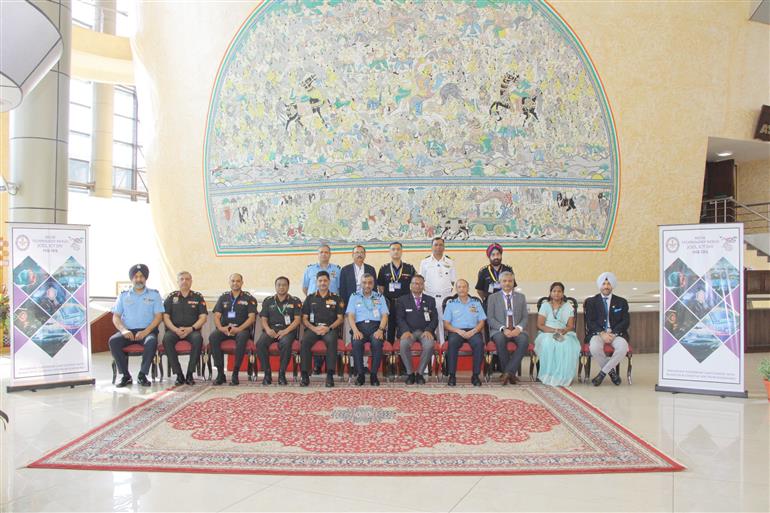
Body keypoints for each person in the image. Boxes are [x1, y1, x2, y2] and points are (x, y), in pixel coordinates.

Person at [109, 264, 164, 387]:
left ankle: (142, 375)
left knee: (151, 342)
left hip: (147, 331)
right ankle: (126, 376)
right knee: (113, 341)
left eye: (141, 276)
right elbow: (116, 316)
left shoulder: (154, 295)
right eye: (136, 277)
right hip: (128, 331)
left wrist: (146, 331)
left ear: (146, 278)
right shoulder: (123, 295)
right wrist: (123, 330)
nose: (139, 279)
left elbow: (158, 317)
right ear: (132, 279)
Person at [210, 273, 257, 386]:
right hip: (225, 328)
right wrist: (221, 328)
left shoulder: (249, 298)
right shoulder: (223, 297)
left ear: (242, 283)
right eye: (233, 281)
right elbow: (216, 316)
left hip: (242, 329)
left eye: (238, 281)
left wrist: (239, 328)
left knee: (241, 338)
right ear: (229, 282)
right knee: (213, 337)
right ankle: (220, 374)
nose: (235, 283)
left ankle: (235, 373)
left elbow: (252, 318)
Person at [162, 271, 208, 386]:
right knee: (166, 339)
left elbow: (203, 317)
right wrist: (175, 329)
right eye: (182, 279)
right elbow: (165, 317)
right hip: (174, 330)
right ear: (177, 282)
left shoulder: (198, 297)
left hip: (192, 330)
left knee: (198, 339)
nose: (184, 281)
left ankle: (190, 374)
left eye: (187, 279)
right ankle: (179, 374)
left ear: (191, 281)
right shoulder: (171, 297)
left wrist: (191, 329)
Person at [585, 272, 630, 386]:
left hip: (616, 334)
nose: (606, 286)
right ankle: (612, 373)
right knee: (594, 347)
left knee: (623, 347)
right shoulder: (591, 302)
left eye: (608, 284)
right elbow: (590, 322)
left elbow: (625, 321)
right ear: (600, 285)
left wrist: (614, 333)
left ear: (612, 285)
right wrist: (602, 333)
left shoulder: (621, 302)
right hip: (598, 333)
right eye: (604, 284)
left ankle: (602, 374)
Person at [302, 244, 341, 375]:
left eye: (326, 252)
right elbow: (305, 288)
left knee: (330, 339)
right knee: (307, 340)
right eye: (321, 252)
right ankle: (309, 371)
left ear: (330, 254)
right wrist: (315, 300)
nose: (324, 254)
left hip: (331, 313)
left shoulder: (337, 270)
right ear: (317, 254)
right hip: (314, 309)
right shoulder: (310, 269)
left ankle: (329, 373)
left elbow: (339, 288)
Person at [300, 271, 344, 387]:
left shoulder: (336, 298)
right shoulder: (310, 298)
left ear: (329, 282)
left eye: (325, 280)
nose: (323, 283)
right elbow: (304, 319)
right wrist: (314, 328)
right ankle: (305, 375)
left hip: (329, 329)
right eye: (320, 281)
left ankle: (330, 375)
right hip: (313, 328)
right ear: (316, 282)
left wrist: (328, 328)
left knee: (332, 341)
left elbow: (340, 319)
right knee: (304, 342)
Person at [255, 276, 302, 386]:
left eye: (284, 285)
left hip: (288, 331)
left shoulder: (295, 301)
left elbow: (297, 320)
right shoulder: (268, 301)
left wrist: (285, 331)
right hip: (271, 330)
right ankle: (267, 374)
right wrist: (268, 330)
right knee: (260, 343)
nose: (281, 287)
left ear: (288, 287)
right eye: (279, 285)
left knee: (285, 343)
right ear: (275, 286)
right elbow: (263, 319)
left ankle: (282, 374)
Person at [346, 274, 389, 386]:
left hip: (376, 327)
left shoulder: (379, 297)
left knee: (377, 343)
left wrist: (380, 330)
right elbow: (350, 316)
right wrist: (355, 331)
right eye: (364, 282)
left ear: (373, 284)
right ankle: (360, 375)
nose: (367, 285)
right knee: (356, 343)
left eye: (370, 283)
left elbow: (385, 315)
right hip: (359, 327)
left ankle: (373, 375)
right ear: (361, 284)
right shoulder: (354, 296)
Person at [534, 282, 580, 387]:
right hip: (547, 332)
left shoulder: (568, 306)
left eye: (559, 291)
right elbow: (540, 325)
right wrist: (554, 330)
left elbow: (570, 326)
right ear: (550, 293)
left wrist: (563, 331)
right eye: (554, 291)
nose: (556, 293)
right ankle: (549, 375)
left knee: (567, 345)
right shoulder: (545, 305)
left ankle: (564, 376)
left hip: (564, 332)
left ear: (563, 293)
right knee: (549, 343)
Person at [486, 271, 528, 385]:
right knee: (500, 339)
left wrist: (518, 328)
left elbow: (525, 317)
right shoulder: (492, 298)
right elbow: (490, 318)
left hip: (517, 329)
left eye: (510, 281)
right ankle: (510, 373)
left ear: (514, 282)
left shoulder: (521, 297)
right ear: (500, 283)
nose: (507, 283)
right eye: (504, 281)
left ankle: (507, 373)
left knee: (524, 340)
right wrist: (503, 328)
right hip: (499, 330)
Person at [339, 245, 376, 375]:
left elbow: (374, 290)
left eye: (361, 252)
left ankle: (364, 365)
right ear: (352, 255)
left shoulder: (371, 269)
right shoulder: (345, 270)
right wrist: (345, 310)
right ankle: (353, 365)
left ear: (365, 254)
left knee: (364, 336)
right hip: (351, 308)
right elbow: (342, 290)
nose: (359, 254)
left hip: (367, 309)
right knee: (352, 337)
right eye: (356, 252)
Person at [442, 279, 486, 387]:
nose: (462, 289)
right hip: (456, 331)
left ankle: (475, 375)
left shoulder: (476, 303)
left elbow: (482, 321)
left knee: (479, 343)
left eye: (464, 287)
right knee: (452, 343)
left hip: (473, 330)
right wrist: (458, 331)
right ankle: (452, 375)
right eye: (459, 287)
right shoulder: (451, 304)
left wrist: (474, 331)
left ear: (468, 288)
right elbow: (446, 324)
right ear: (456, 289)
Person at [395, 274, 438, 385]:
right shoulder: (402, 300)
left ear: (423, 286)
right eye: (414, 283)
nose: (417, 286)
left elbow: (435, 319)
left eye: (420, 284)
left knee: (429, 345)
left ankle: (419, 373)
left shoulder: (430, 300)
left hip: (425, 332)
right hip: (409, 332)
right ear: (410, 285)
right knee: (403, 345)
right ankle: (410, 373)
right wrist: (405, 330)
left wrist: (429, 330)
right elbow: (399, 318)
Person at [377, 241, 416, 343]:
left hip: (404, 303)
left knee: (404, 327)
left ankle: (402, 350)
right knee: (390, 328)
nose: (396, 251)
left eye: (398, 249)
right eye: (393, 249)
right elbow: (380, 287)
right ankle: (390, 349)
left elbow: (414, 285)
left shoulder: (409, 268)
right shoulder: (384, 268)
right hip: (389, 303)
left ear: (402, 251)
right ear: (389, 252)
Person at [419, 237, 456, 345]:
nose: (438, 247)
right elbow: (421, 281)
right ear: (431, 247)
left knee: (445, 323)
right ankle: (433, 347)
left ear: (444, 247)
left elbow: (453, 281)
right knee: (430, 322)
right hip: (430, 297)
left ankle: (443, 346)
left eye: (440, 245)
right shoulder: (425, 262)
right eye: (436, 245)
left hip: (445, 298)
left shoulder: (450, 262)